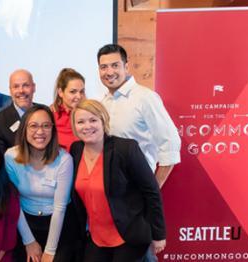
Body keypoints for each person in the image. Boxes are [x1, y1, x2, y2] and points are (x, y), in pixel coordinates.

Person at [97, 43, 180, 262]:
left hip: (137, 195)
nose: (109, 72)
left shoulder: (145, 98)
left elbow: (170, 144)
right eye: (103, 67)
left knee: (141, 255)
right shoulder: (102, 102)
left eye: (115, 65)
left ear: (126, 65)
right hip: (112, 198)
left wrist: (151, 187)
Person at [69, 99, 166, 262]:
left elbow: (151, 192)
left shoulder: (126, 148)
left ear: (103, 121)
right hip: (95, 238)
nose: (87, 126)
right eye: (80, 122)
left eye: (93, 120)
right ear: (74, 126)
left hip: (129, 235)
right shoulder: (76, 150)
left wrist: (158, 234)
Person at [5, 104, 77, 262]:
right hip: (24, 223)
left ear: (53, 129)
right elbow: (13, 202)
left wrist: (50, 251)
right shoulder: (10, 157)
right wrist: (29, 241)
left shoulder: (64, 160)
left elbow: (60, 208)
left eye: (46, 126)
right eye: (33, 126)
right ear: (24, 129)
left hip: (59, 223)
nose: (40, 132)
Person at [0, 69, 36, 153]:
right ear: (10, 90)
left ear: (34, 87)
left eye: (26, 85)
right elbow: (0, 160)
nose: (21, 91)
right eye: (16, 86)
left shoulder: (47, 113)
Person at [50, 68, 86, 152]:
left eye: (82, 91)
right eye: (73, 92)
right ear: (60, 92)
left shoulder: (90, 115)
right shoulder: (51, 116)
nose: (79, 96)